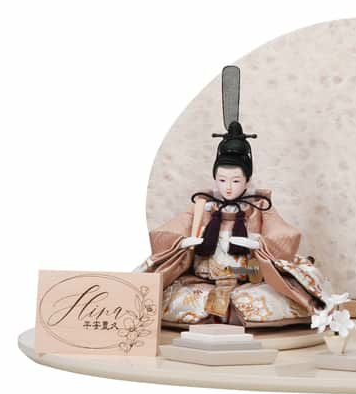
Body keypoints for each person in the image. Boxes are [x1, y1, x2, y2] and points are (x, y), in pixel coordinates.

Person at [137, 120, 330, 327]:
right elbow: (171, 230)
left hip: (247, 277)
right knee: (175, 298)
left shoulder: (258, 205)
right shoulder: (203, 204)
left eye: (235, 181)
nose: (228, 187)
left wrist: (259, 243)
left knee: (264, 299)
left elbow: (284, 235)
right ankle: (218, 315)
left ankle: (232, 314)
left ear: (247, 180)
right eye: (222, 180)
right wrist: (182, 242)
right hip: (204, 278)